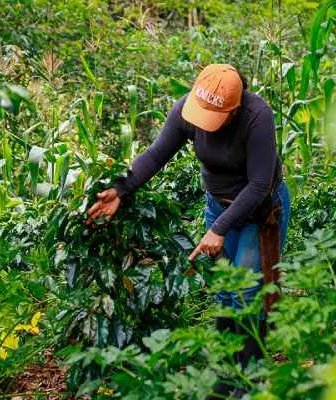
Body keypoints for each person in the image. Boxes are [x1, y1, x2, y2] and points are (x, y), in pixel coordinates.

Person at [86, 64, 291, 393]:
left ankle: (250, 382)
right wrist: (120, 189)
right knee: (226, 290)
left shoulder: (257, 117)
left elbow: (259, 184)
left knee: (247, 295)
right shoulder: (186, 108)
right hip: (219, 205)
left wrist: (219, 229)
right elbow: (155, 154)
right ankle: (225, 379)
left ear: (234, 108)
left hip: (258, 211)